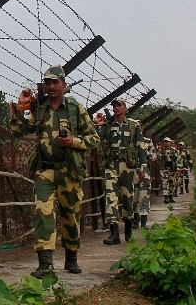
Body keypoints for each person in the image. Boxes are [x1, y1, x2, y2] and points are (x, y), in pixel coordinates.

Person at [10, 66, 98, 277]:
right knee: (43, 213)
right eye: (47, 83)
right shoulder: (39, 109)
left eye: (54, 82)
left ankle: (71, 258)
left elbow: (94, 140)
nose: (50, 87)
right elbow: (18, 131)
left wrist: (73, 141)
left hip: (69, 171)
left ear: (63, 85)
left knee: (71, 216)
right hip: (45, 171)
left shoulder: (75, 108)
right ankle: (45, 263)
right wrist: (19, 110)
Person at [98, 97, 142, 245]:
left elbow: (140, 147)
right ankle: (114, 233)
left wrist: (141, 167)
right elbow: (98, 139)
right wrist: (99, 125)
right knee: (110, 197)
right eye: (114, 106)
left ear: (125, 107)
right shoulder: (108, 126)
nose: (116, 108)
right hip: (111, 165)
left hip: (127, 166)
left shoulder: (133, 125)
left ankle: (128, 232)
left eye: (119, 105)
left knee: (127, 197)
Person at [133, 136, 154, 229]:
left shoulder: (148, 141)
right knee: (134, 199)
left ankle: (144, 224)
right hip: (132, 174)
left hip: (145, 175)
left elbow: (153, 156)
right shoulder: (128, 139)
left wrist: (146, 154)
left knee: (144, 197)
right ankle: (135, 221)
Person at [159, 137, 180, 203]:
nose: (166, 143)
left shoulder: (175, 151)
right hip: (164, 169)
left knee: (172, 183)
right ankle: (166, 197)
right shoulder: (161, 151)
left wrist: (178, 169)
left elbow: (178, 160)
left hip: (172, 169)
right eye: (165, 142)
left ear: (170, 143)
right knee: (165, 183)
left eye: (167, 142)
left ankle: (171, 196)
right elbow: (158, 159)